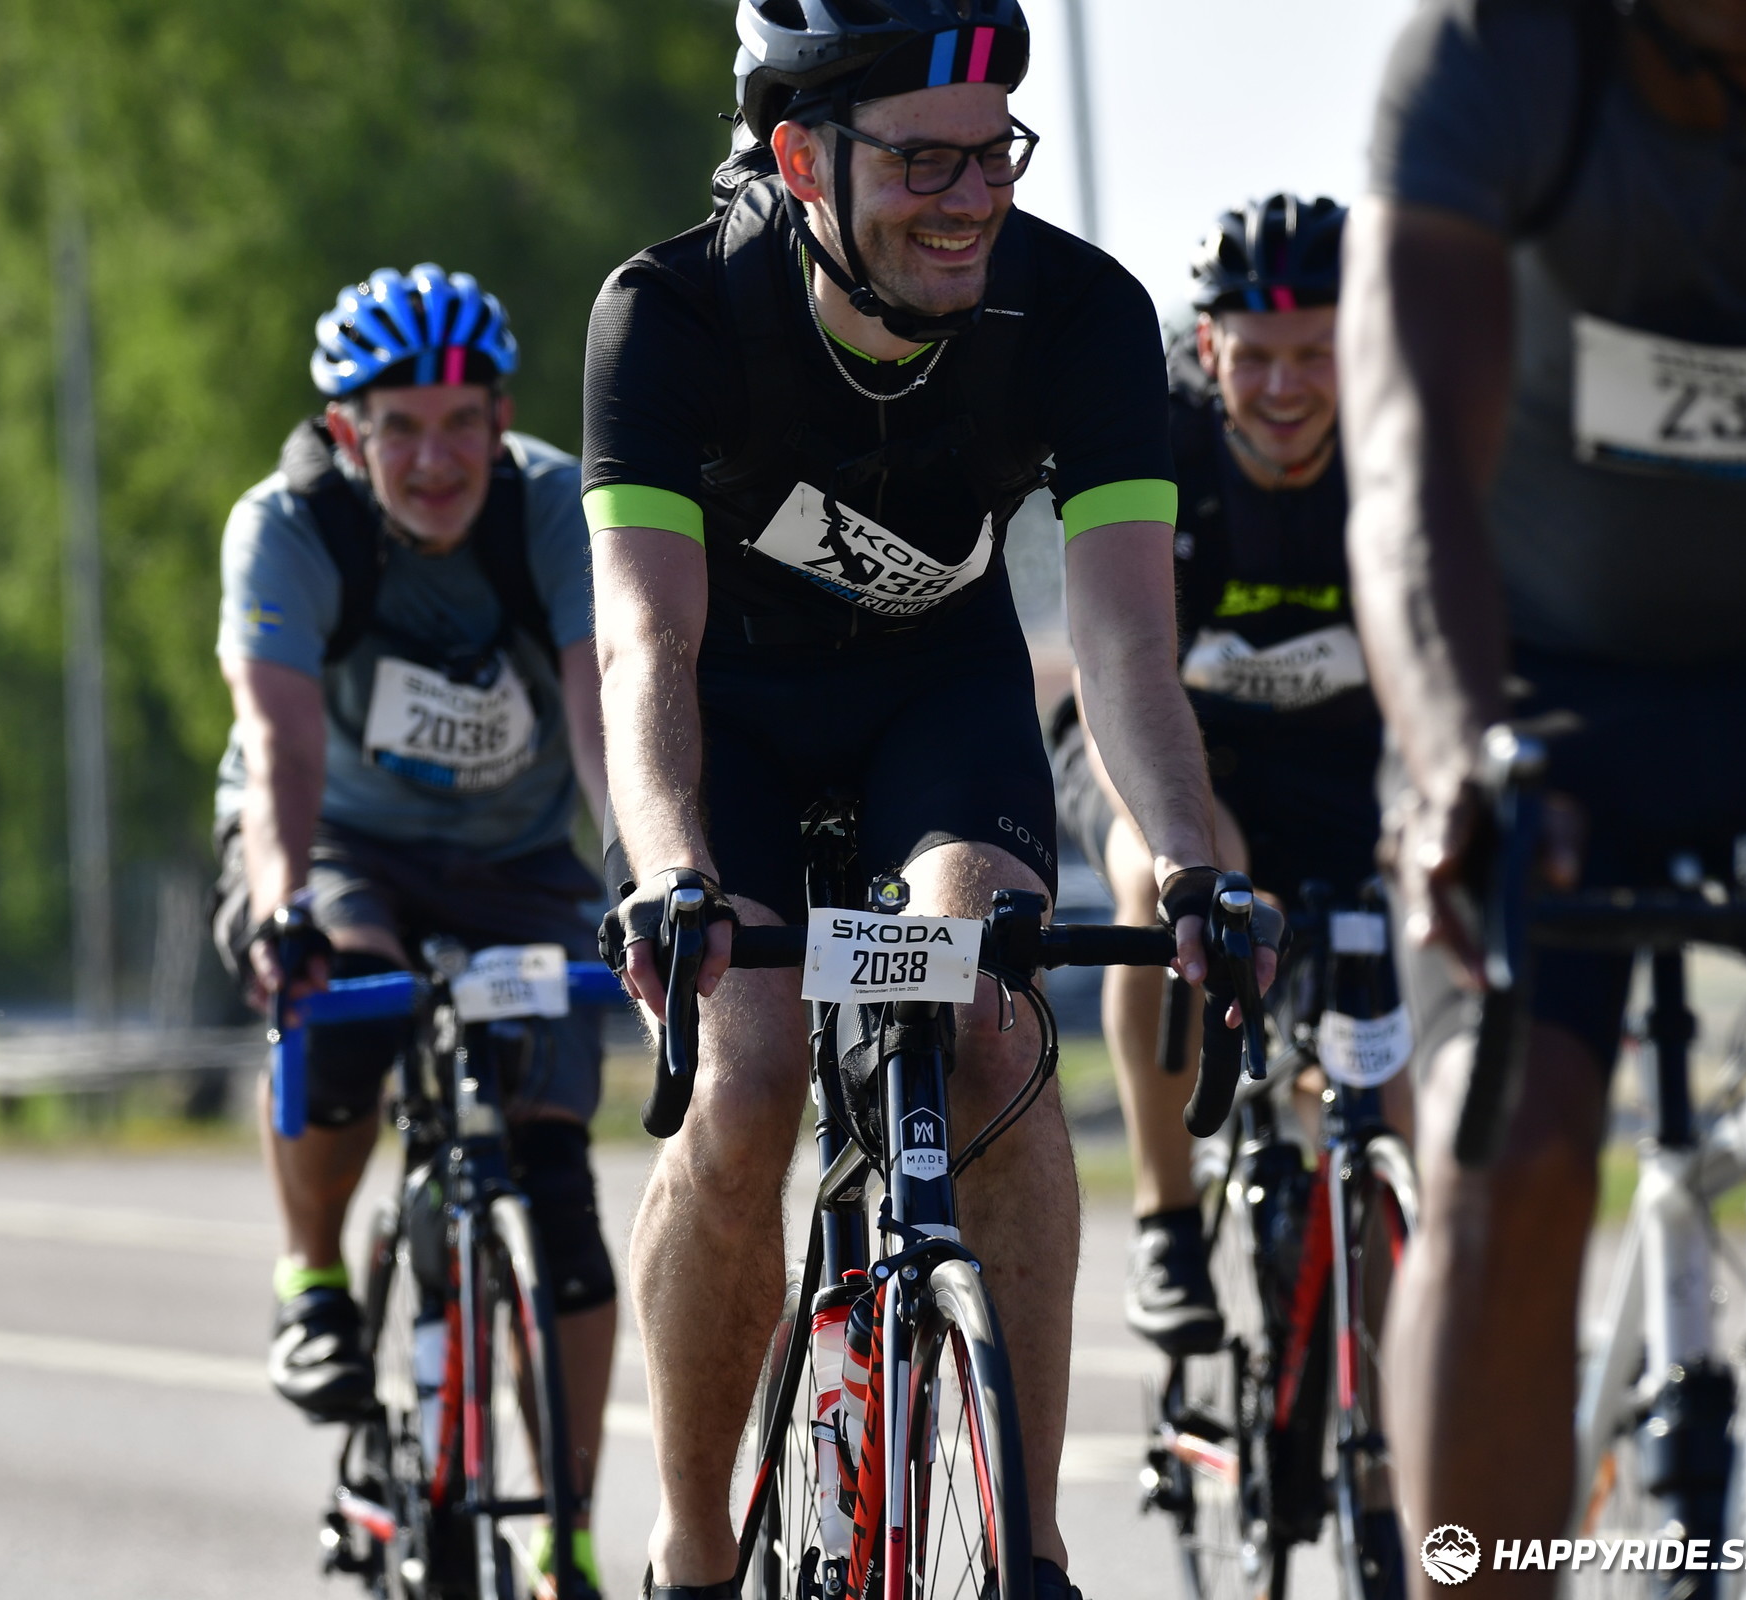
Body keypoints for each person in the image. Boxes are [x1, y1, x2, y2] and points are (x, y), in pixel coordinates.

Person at [582, 4, 1269, 1595]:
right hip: (727, 715)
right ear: (800, 156)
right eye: (923, 162)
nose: (970, 199)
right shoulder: (668, 314)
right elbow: (644, 640)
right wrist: (674, 869)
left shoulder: (1082, 312)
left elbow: (1124, 639)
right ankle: (695, 1539)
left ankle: (1026, 1544)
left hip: (934, 706)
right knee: (749, 1077)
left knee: (994, 1022)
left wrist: (1187, 862)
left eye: (993, 154)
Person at [1341, 0, 1746, 1574]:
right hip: (1534, 685)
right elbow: (1402, 467)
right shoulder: (1500, 54)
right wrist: (1457, 761)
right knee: (1509, 1137)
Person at [210, 264, 614, 1597]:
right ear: (347, 432)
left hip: (516, 863)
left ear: (501, 418)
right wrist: (283, 910)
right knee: (342, 999)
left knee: (559, 1201)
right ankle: (312, 1276)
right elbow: (279, 743)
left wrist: (640, 872)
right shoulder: (289, 526)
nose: (434, 460)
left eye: (460, 425)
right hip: (337, 842)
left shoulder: (553, 509)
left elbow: (602, 709)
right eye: (399, 428)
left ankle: (563, 1530)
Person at [1049, 195, 1413, 1354]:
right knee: (1181, 888)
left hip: (1344, 763)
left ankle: (1387, 1354)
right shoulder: (1158, 432)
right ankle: (1164, 1221)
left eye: (1315, 353)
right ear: (1207, 348)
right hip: (1162, 743)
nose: (1284, 387)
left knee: (1395, 1064)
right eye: (1253, 357)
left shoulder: (1409, 432)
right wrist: (1187, 850)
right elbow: (1119, 658)